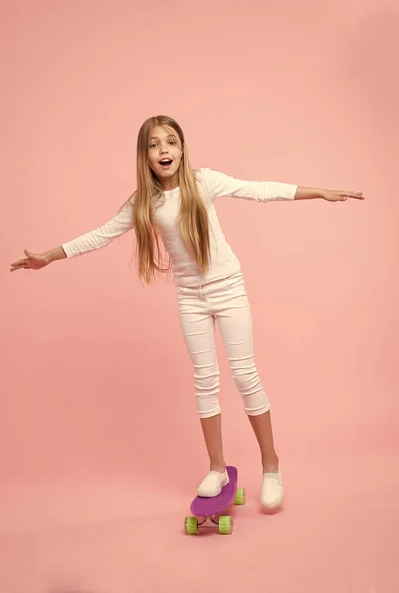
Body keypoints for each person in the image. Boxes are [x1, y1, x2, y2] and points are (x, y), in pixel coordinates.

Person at [10, 115, 364, 509]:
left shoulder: (203, 181)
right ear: (144, 156)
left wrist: (318, 192)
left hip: (228, 290)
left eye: (171, 142)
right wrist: (49, 257)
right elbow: (100, 234)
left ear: (182, 148)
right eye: (154, 144)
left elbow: (259, 190)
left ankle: (271, 467)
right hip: (191, 298)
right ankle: (216, 467)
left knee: (245, 376)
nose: (164, 150)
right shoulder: (144, 202)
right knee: (205, 381)